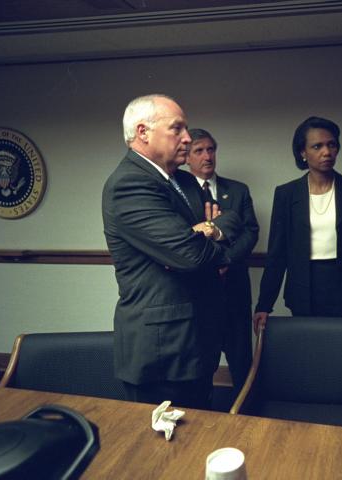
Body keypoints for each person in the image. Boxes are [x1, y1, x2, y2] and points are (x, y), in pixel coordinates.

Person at [102, 94, 238, 409]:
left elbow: (230, 222)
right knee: (160, 452)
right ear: (142, 132)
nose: (187, 139)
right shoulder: (128, 184)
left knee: (197, 443)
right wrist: (199, 241)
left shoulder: (186, 181)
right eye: (177, 129)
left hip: (197, 344)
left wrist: (208, 231)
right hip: (162, 355)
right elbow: (192, 255)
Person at [254, 116, 342, 331]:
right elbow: (277, 255)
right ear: (303, 153)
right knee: (308, 356)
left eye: (331, 144)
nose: (326, 152)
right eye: (317, 146)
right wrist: (264, 305)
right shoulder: (286, 194)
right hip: (303, 289)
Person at [186, 128, 259, 394]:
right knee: (201, 366)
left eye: (211, 149)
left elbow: (251, 231)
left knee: (241, 363)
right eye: (199, 151)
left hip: (234, 290)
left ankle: (249, 422)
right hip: (199, 295)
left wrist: (226, 259)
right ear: (186, 157)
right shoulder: (180, 193)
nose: (207, 156)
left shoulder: (237, 191)